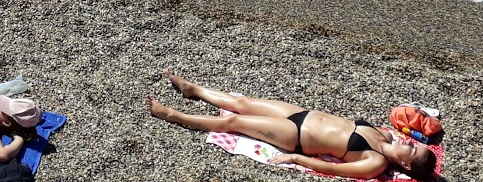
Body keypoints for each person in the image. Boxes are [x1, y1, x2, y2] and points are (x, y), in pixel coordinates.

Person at [144, 73, 438, 180]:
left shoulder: (373, 163)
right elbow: (412, 122)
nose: (411, 143)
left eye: (413, 150)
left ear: (405, 165)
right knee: (243, 102)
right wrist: (421, 129)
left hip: (296, 136)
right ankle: (193, 90)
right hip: (302, 113)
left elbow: (332, 169)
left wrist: (296, 158)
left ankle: (172, 115)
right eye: (415, 144)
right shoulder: (385, 134)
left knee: (232, 122)